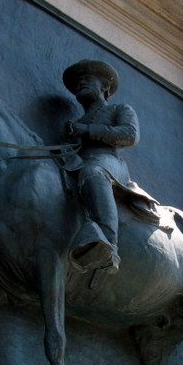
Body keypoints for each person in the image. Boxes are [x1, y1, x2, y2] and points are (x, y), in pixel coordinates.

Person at [62, 60, 140, 274]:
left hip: (109, 163)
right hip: (80, 162)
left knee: (93, 173)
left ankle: (107, 244)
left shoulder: (120, 109)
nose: (81, 83)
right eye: (78, 81)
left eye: (87, 79)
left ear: (105, 86)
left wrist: (87, 130)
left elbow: (130, 135)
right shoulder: (78, 122)